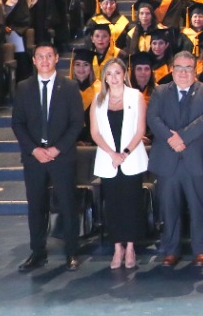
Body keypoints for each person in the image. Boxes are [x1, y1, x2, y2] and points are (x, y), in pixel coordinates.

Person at [12, 44, 83, 272]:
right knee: (36, 206)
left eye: (49, 56)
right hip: (34, 157)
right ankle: (38, 252)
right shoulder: (24, 88)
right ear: (33, 60)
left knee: (67, 204)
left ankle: (72, 252)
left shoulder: (70, 87)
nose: (44, 60)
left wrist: (56, 149)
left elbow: (76, 124)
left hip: (61, 156)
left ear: (56, 59)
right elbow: (18, 123)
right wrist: (34, 150)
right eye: (40, 56)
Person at [148, 51, 203, 268]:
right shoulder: (160, 91)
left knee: (200, 206)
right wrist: (172, 139)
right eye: (179, 67)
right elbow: (152, 118)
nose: (183, 72)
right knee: (169, 208)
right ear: (172, 69)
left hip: (196, 160)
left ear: (195, 70)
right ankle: (171, 250)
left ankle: (201, 250)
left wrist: (182, 137)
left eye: (188, 68)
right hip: (168, 160)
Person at [89, 58, 148, 270]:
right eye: (109, 73)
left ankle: (131, 247)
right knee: (112, 205)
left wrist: (123, 153)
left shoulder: (136, 96)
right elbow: (95, 133)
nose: (113, 78)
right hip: (108, 160)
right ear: (104, 76)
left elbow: (140, 130)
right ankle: (117, 249)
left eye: (117, 73)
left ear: (124, 74)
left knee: (131, 204)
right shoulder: (98, 99)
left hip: (131, 158)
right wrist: (112, 154)